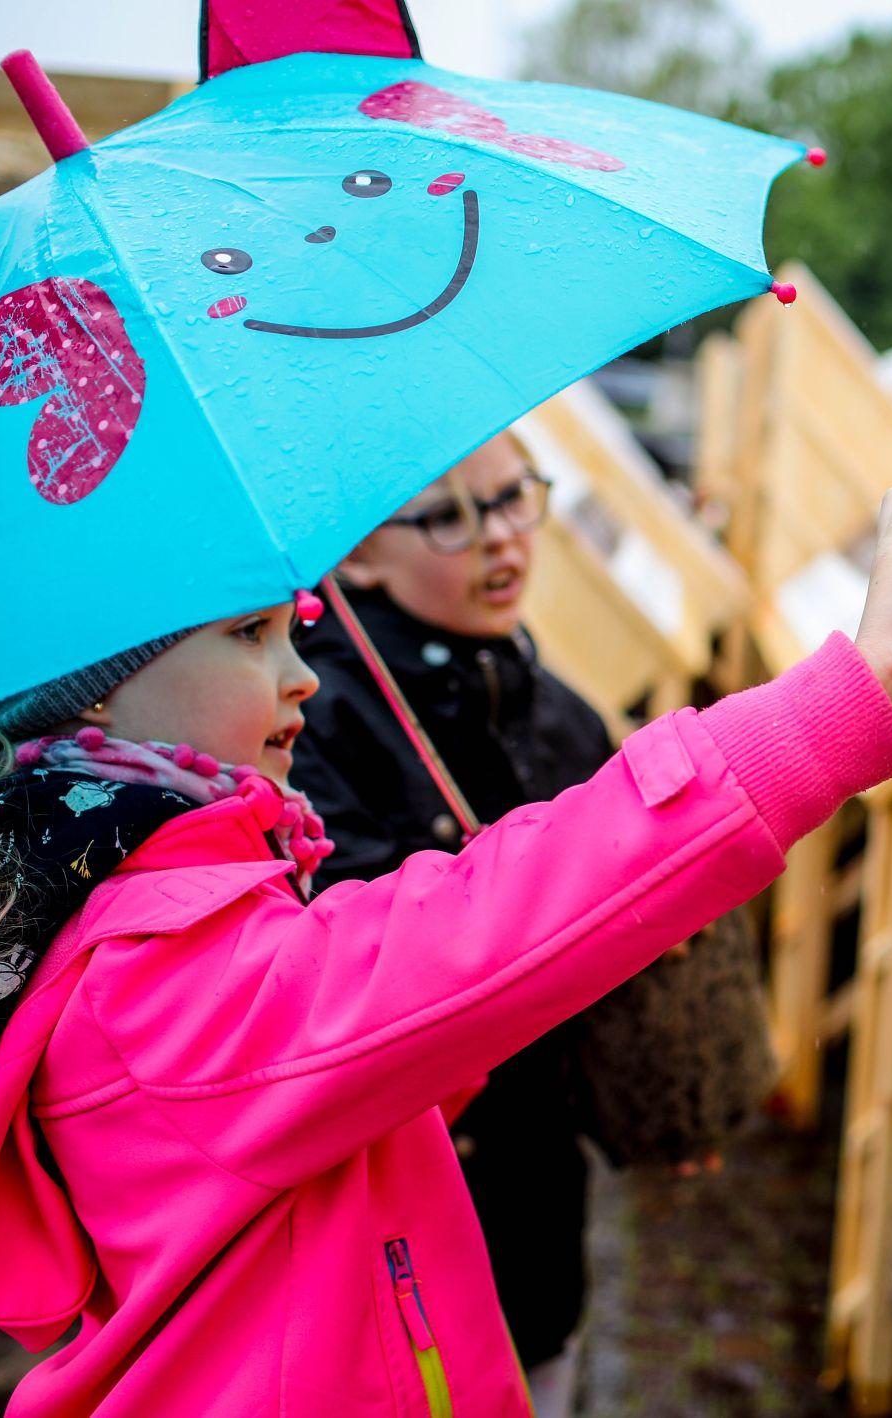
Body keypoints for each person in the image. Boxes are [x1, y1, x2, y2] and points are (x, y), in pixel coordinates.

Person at [0, 485, 892, 1417]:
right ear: (94, 702)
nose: (299, 672)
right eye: (248, 634)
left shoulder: (111, 912)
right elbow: (502, 915)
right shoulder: (164, 971)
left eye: (289, 628)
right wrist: (853, 691)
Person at [287, 429, 614, 1413]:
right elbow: (357, 970)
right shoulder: (307, 719)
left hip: (535, 1186)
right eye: (445, 517)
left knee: (539, 1362)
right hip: (399, 1222)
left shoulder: (559, 709)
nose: (500, 540)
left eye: (517, 497)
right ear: (356, 551)